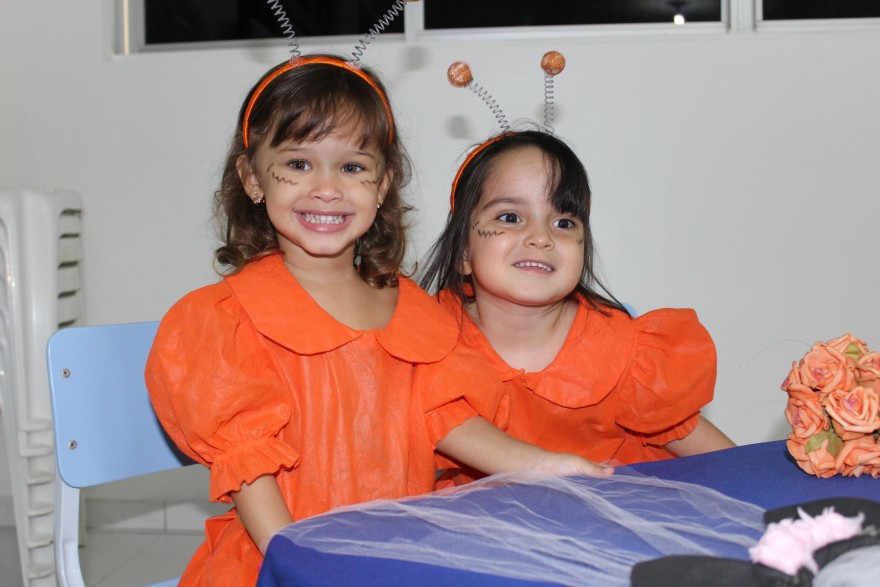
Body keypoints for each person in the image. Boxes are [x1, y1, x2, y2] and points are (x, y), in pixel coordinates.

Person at [146, 59, 612, 587]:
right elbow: (248, 467)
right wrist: (301, 564)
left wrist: (544, 465)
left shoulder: (412, 309)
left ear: (383, 182)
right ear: (253, 178)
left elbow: (448, 419)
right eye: (298, 163)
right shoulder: (224, 320)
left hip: (398, 557)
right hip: (283, 560)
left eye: (352, 168)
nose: (327, 189)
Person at [420, 129, 735, 484]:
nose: (541, 237)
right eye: (509, 217)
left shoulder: (621, 351)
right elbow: (439, 420)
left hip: (619, 508)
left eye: (564, 223)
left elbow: (711, 451)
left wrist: (767, 487)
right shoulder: (428, 340)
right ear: (463, 251)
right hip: (490, 516)